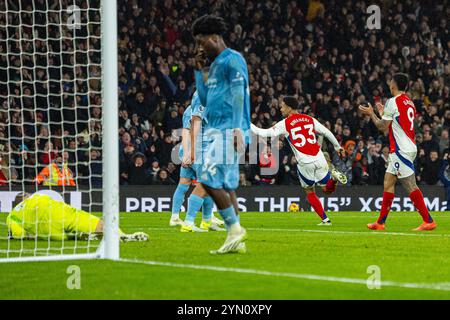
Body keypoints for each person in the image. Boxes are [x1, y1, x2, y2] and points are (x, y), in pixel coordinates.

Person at [192, 14, 250, 254]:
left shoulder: (233, 59)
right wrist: (199, 71)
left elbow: (239, 94)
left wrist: (237, 127)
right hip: (215, 129)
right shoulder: (213, 66)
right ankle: (235, 240)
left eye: (200, 41)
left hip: (230, 129)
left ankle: (234, 228)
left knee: (206, 176)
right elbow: (205, 99)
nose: (199, 47)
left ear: (214, 37)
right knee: (226, 186)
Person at [251, 96, 347, 225]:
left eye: (282, 106)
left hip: (305, 162)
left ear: (289, 108)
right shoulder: (309, 119)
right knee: (327, 190)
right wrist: (338, 147)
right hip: (319, 158)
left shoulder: (285, 123)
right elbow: (326, 132)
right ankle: (334, 179)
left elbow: (263, 133)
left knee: (309, 191)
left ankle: (325, 220)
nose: (280, 108)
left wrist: (247, 121)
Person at [359, 73, 436, 231]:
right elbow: (398, 123)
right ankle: (380, 222)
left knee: (410, 185)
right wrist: (384, 113)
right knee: (388, 183)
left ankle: (428, 220)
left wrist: (371, 114)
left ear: (393, 85)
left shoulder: (392, 102)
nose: (389, 83)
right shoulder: (409, 102)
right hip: (405, 147)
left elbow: (383, 127)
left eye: (390, 81)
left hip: (401, 149)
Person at [169, 91, 224, 232]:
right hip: (198, 149)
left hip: (197, 148)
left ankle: (184, 218)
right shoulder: (197, 106)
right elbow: (187, 131)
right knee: (205, 184)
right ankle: (193, 221)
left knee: (186, 183)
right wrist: (189, 152)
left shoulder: (200, 105)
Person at [7, 192, 148, 242]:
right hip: (59, 210)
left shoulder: (12, 215)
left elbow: (19, 234)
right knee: (98, 224)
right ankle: (122, 235)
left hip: (48, 230)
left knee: (65, 236)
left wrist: (31, 235)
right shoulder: (36, 197)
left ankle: (78, 236)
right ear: (25, 198)